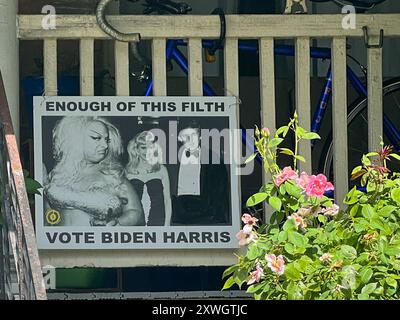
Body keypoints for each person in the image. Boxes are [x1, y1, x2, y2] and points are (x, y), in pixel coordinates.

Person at [44, 116, 145, 226]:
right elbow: (46, 217)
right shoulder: (57, 175)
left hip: (98, 242)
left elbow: (136, 213)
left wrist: (118, 223)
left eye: (107, 140)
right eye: (96, 138)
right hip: (60, 242)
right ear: (76, 139)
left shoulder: (113, 177)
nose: (105, 145)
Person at [171, 119, 230, 225]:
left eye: (193, 135)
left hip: (206, 215)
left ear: (200, 136)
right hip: (178, 215)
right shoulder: (170, 160)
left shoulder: (213, 158)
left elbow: (221, 192)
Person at [125, 131, 172, 226]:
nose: (147, 152)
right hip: (135, 224)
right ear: (136, 150)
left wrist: (167, 226)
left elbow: (167, 200)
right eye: (143, 148)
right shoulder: (127, 172)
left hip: (158, 222)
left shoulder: (161, 169)